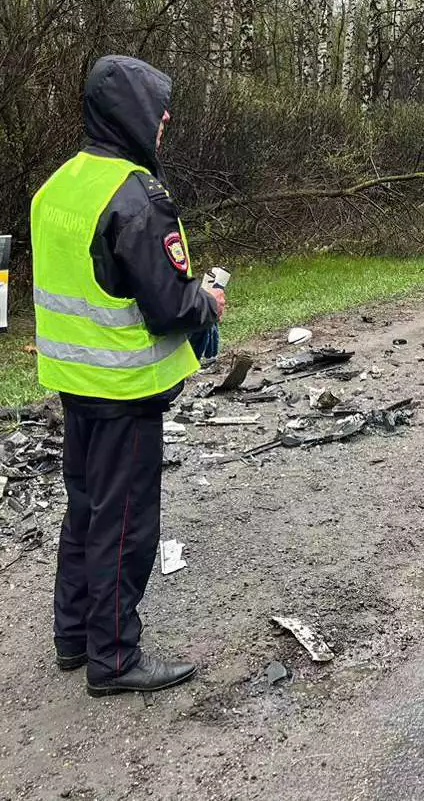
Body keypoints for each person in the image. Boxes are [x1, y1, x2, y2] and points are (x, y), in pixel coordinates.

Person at [31, 55, 223, 697]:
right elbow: (168, 306)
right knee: (126, 522)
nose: (165, 116)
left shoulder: (57, 186)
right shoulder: (137, 196)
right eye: (157, 103)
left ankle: (74, 635)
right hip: (125, 389)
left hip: (73, 380)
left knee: (84, 506)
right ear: (130, 113)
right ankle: (114, 657)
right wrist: (209, 303)